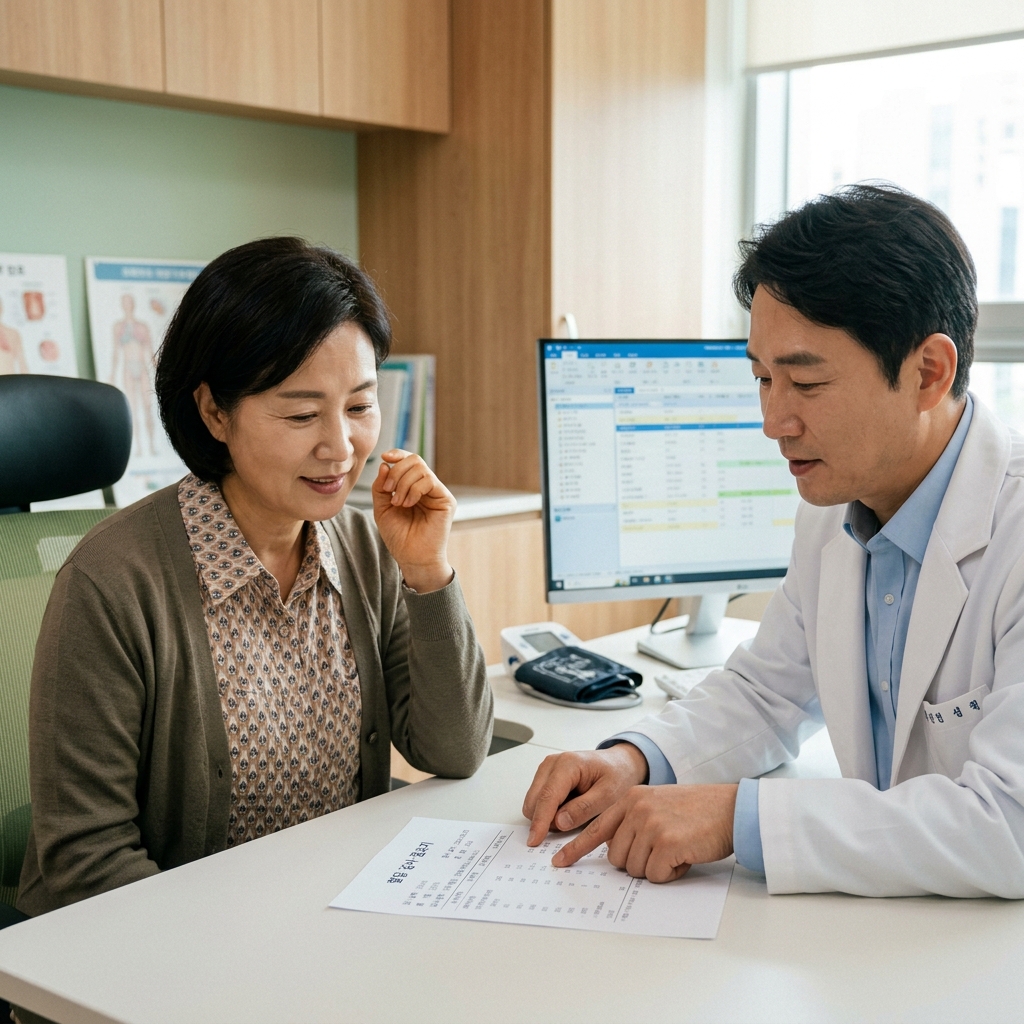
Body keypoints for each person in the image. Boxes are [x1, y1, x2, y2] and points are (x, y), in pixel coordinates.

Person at [523, 184, 1024, 898]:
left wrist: (740, 818)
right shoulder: (836, 508)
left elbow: (1010, 823)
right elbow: (769, 693)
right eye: (762, 378)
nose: (773, 420)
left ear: (928, 372)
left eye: (806, 382)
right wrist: (638, 758)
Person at [17, 237, 494, 917]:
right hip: (162, 963)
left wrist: (425, 571)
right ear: (214, 412)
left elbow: (456, 750)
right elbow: (84, 863)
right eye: (302, 414)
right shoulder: (113, 581)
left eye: (359, 406)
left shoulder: (361, 546)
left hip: (326, 927)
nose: (340, 446)